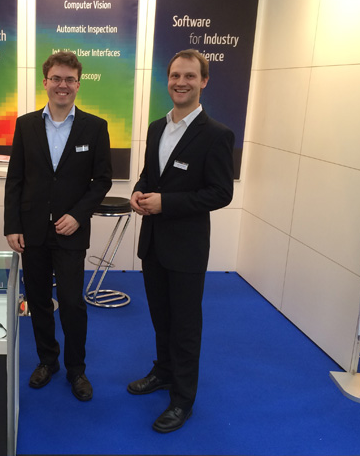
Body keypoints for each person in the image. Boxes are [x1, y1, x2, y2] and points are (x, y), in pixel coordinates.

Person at [128, 49, 234, 432]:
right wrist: (138, 192)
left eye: (190, 76)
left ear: (203, 81)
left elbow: (221, 193)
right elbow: (149, 174)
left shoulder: (217, 135)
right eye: (175, 75)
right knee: (161, 317)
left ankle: (183, 400)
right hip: (153, 243)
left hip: (187, 248)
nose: (181, 82)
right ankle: (164, 372)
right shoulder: (157, 127)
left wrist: (165, 203)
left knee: (185, 326)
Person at [4, 51, 112, 401]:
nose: (62, 85)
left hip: (71, 230)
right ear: (45, 82)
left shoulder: (95, 127)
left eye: (69, 79)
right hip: (32, 230)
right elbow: (15, 179)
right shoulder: (26, 125)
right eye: (56, 78)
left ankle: (76, 369)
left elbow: (102, 181)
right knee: (38, 300)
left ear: (78, 84)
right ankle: (47, 361)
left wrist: (78, 215)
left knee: (71, 302)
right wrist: (12, 225)